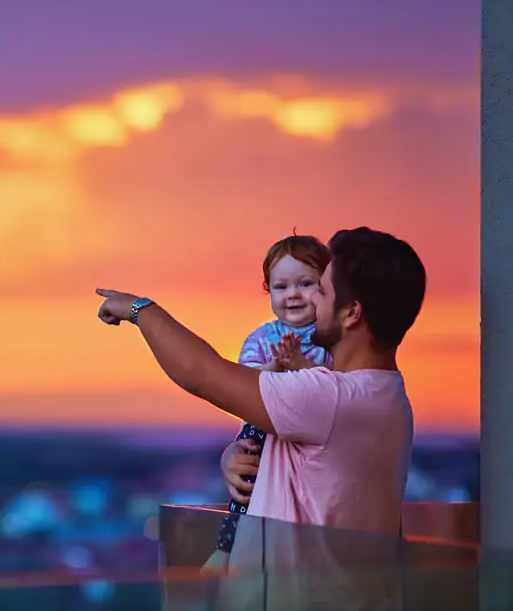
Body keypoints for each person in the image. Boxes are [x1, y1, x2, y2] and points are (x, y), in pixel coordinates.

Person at [96, 227, 425, 542]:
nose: (311, 299)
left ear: (351, 313)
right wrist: (237, 456)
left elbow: (200, 373)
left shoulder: (332, 398)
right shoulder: (382, 394)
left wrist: (138, 309)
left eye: (322, 291)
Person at [201, 234, 334, 577]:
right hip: (264, 423)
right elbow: (244, 384)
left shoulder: (330, 339)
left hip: (309, 434)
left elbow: (334, 387)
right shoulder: (261, 338)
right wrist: (277, 366)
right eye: (281, 286)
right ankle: (225, 549)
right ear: (268, 290)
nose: (293, 294)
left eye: (305, 284)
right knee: (247, 483)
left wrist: (301, 365)